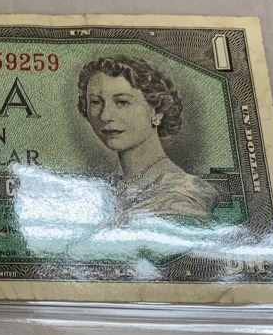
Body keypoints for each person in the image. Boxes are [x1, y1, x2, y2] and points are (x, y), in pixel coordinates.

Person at [78, 55, 218, 223]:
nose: (105, 115)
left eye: (122, 102)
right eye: (95, 102)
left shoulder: (181, 194)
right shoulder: (113, 190)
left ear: (157, 111)